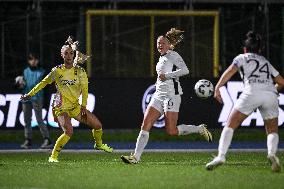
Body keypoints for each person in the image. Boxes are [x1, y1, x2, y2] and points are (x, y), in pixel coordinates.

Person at [121, 28, 212, 164]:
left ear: (169, 45)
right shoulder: (161, 58)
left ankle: (199, 129)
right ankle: (135, 157)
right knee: (145, 124)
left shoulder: (173, 55)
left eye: (162, 43)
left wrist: (168, 76)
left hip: (172, 95)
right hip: (158, 95)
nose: (159, 45)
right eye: (158, 43)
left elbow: (186, 70)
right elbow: (161, 77)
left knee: (171, 131)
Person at [21, 36, 113, 162]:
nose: (69, 55)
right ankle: (53, 156)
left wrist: (84, 106)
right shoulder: (57, 71)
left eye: (71, 53)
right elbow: (42, 83)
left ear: (74, 55)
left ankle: (98, 144)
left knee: (97, 125)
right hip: (60, 107)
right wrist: (30, 94)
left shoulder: (80, 71)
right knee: (69, 131)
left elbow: (85, 90)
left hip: (75, 107)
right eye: (66, 53)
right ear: (62, 55)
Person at [206, 31, 284, 172]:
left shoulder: (242, 58)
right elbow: (281, 81)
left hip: (252, 92)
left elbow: (230, 71)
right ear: (259, 49)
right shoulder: (265, 61)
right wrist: (273, 91)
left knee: (230, 125)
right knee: (272, 130)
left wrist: (218, 87)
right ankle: (272, 155)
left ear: (245, 49)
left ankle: (221, 156)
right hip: (270, 94)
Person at [19, 53, 52, 149]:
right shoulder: (25, 71)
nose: (33, 61)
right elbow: (22, 85)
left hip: (38, 98)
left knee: (39, 119)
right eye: (31, 59)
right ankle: (28, 140)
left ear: (37, 60)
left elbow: (46, 89)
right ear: (29, 61)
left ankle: (47, 139)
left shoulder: (42, 72)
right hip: (26, 98)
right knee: (27, 120)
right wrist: (18, 85)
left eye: (35, 59)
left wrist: (46, 101)